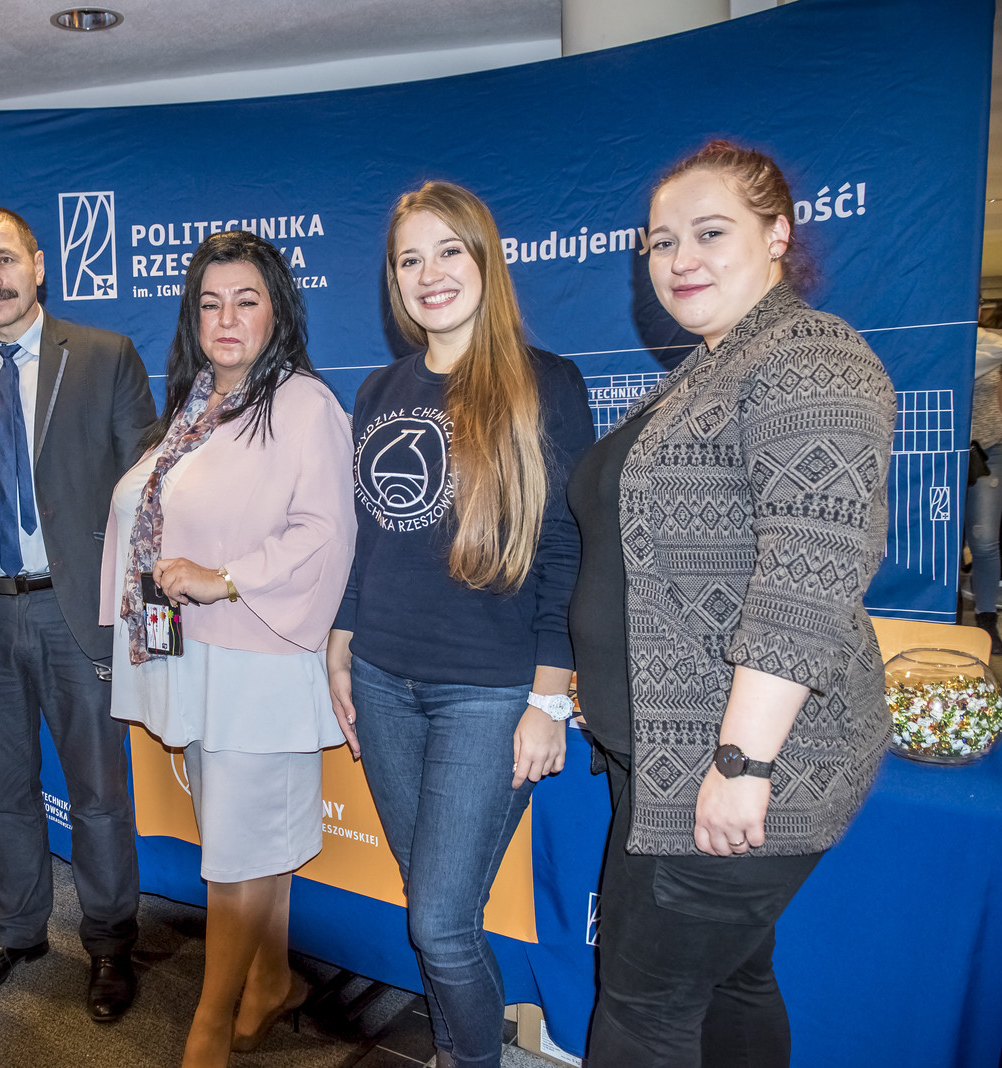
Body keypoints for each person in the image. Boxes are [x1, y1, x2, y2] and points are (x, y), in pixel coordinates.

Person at [569, 140, 895, 1067]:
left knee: (642, 1011)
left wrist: (742, 760)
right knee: (731, 980)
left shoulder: (812, 357)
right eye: (662, 241)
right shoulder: (708, 368)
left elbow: (811, 568)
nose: (681, 259)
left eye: (710, 233)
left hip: (735, 762)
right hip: (659, 756)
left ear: (777, 235)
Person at [325, 181, 593, 1068]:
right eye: (410, 258)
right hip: (381, 679)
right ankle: (456, 1049)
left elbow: (568, 549)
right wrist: (341, 640)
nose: (429, 273)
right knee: (431, 903)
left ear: (485, 260)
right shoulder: (379, 389)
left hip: (489, 692)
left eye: (449, 251)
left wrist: (548, 699)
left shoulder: (546, 383)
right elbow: (370, 536)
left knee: (439, 923)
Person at [102, 230, 357, 1067]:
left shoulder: (303, 404)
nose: (226, 318)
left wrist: (225, 579)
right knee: (249, 841)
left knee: (239, 855)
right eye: (210, 303)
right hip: (198, 661)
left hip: (261, 664)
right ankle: (271, 980)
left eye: (246, 300)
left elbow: (326, 534)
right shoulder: (195, 406)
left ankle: (207, 1034)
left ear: (278, 311)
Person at [0, 206, 155, 1022]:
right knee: (3, 794)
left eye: (4, 259)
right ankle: (17, 932)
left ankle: (110, 941)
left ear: (38, 265)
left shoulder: (105, 357)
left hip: (78, 616)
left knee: (99, 794)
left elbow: (148, 495)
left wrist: (148, 619)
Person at [966, 304, 1002, 653]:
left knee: (986, 541)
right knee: (945, 541)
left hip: (989, 450)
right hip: (946, 454)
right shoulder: (940, 342)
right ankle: (944, 611)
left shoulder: (993, 343)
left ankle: (987, 619)